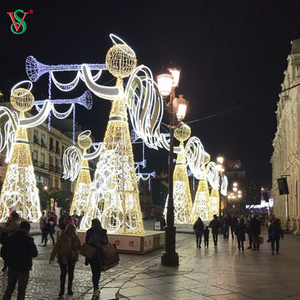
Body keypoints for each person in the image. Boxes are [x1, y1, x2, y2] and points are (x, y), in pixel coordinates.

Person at [1, 221, 38, 300]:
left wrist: (8, 261)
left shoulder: (10, 238)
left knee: (10, 288)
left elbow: (3, 252)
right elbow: (34, 253)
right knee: (21, 290)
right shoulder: (28, 239)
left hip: (12, 266)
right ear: (28, 229)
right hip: (24, 268)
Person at [49, 223, 81, 297]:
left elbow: (79, 246)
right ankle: (62, 290)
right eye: (70, 229)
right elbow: (56, 246)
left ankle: (69, 289)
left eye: (72, 229)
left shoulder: (76, 237)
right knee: (63, 273)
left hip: (72, 257)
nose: (71, 231)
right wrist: (52, 257)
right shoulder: (62, 236)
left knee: (71, 273)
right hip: (63, 256)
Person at [85, 219, 108, 298]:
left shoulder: (103, 232)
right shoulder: (89, 232)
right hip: (93, 255)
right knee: (94, 272)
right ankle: (95, 288)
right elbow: (86, 244)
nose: (93, 226)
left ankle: (96, 287)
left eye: (94, 224)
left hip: (100, 254)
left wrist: (103, 241)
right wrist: (90, 241)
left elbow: (106, 243)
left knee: (98, 272)